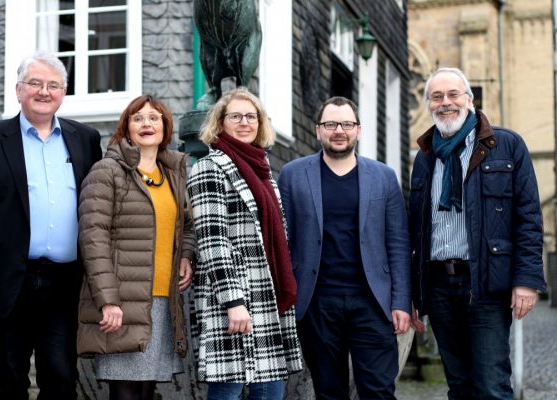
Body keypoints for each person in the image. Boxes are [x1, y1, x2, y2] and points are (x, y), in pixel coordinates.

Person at [0, 50, 102, 400]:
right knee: (8, 382)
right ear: (18, 89)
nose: (44, 91)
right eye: (35, 83)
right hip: (7, 283)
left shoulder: (85, 139)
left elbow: (98, 211)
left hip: (64, 285)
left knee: (62, 379)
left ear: (63, 93)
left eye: (53, 85)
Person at [409, 67, 547, 399]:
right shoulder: (425, 157)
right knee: (459, 386)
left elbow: (528, 218)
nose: (446, 103)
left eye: (454, 95)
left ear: (469, 100)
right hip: (439, 284)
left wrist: (527, 280)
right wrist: (414, 291)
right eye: (437, 96)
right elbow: (416, 229)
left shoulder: (506, 145)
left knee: (492, 385)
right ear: (428, 104)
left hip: (485, 282)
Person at [278, 96, 411, 400]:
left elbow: (398, 243)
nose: (339, 130)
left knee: (378, 391)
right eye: (331, 124)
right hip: (317, 303)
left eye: (346, 124)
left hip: (372, 303)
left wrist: (401, 301)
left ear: (358, 130)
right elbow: (283, 242)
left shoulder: (384, 177)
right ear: (318, 130)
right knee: (328, 392)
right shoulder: (293, 175)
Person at [76, 94, 197, 400]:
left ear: (165, 127)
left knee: (146, 389)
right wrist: (108, 300)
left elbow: (186, 224)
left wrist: (185, 255)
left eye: (154, 118)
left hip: (162, 301)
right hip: (123, 300)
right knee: (125, 390)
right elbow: (93, 238)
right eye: (138, 118)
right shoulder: (107, 171)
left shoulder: (173, 174)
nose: (146, 124)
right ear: (126, 127)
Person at [186, 87, 302, 400]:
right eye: (235, 116)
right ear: (220, 122)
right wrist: (233, 301)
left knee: (270, 391)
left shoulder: (264, 171)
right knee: (229, 388)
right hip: (234, 300)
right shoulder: (208, 168)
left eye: (251, 116)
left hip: (267, 297)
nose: (244, 122)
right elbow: (212, 241)